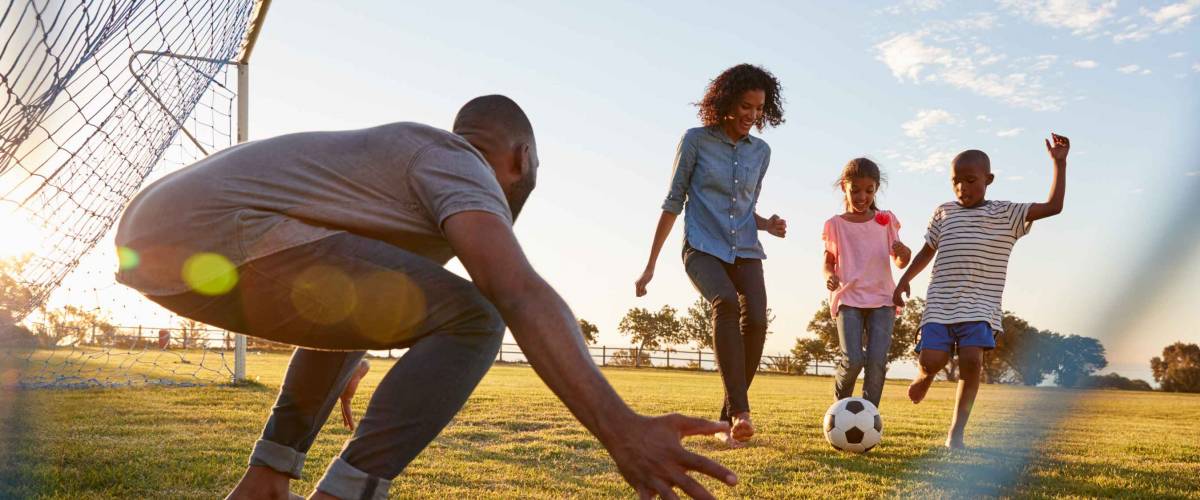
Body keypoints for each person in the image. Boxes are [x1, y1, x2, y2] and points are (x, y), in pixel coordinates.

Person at [115, 95, 737, 500]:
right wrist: (620, 427)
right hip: (211, 230)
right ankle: (345, 495)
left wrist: (345, 344)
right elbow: (516, 290)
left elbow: (342, 286)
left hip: (160, 240)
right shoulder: (455, 160)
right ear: (522, 158)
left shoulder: (403, 177)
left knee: (395, 305)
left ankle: (265, 482)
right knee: (476, 316)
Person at [634, 64, 787, 448]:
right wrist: (651, 263)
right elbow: (673, 201)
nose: (752, 116)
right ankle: (741, 412)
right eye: (745, 106)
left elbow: (742, 206)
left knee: (756, 320)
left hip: (746, 249)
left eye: (759, 108)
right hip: (702, 247)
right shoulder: (695, 141)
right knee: (725, 303)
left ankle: (728, 419)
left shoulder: (761, 152)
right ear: (726, 103)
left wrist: (767, 223)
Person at [893, 133, 1071, 448]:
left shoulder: (1006, 213)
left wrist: (1059, 163)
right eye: (956, 181)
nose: (963, 187)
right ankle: (925, 376)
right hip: (940, 303)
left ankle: (956, 433)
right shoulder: (944, 211)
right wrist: (905, 279)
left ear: (988, 179)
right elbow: (927, 250)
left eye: (971, 180)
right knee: (931, 360)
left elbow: (1054, 207)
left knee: (972, 361)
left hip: (980, 306)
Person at [822, 158, 910, 409]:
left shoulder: (885, 221)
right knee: (852, 360)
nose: (862, 196)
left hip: (882, 299)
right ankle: (839, 411)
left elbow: (900, 262)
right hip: (848, 298)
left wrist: (904, 252)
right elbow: (827, 261)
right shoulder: (835, 225)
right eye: (855, 190)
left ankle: (869, 414)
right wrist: (829, 276)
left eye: (869, 191)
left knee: (876, 361)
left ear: (876, 189)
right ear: (844, 187)